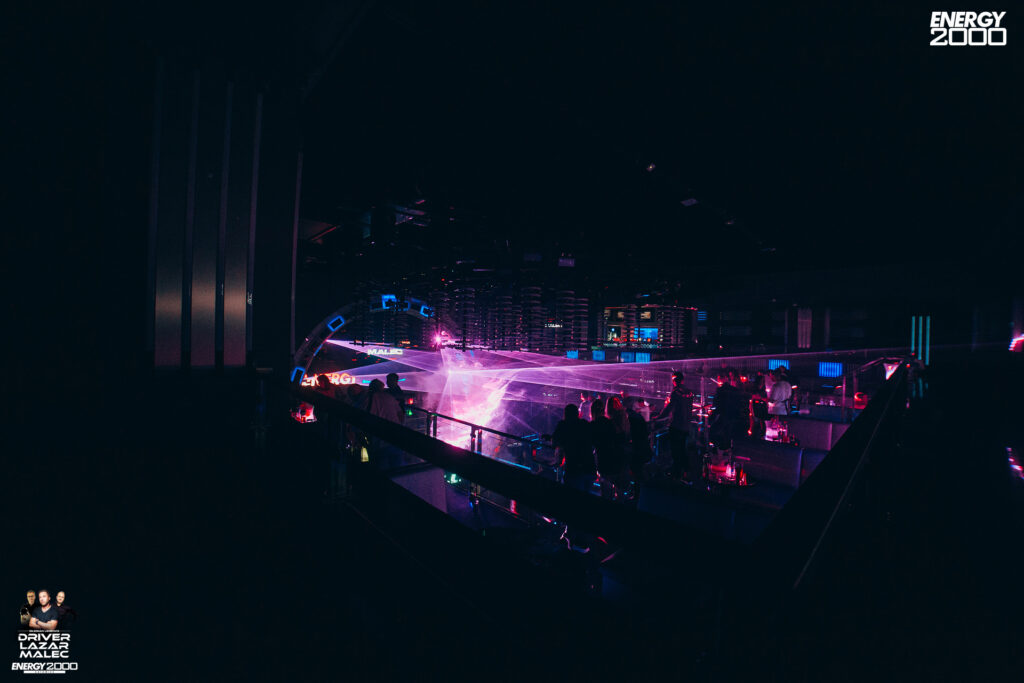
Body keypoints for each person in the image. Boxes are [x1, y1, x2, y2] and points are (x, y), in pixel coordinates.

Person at [656, 371, 696, 482]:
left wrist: (659, 417)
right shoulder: (690, 393)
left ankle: (676, 475)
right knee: (682, 449)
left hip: (676, 425)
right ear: (682, 380)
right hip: (686, 426)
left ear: (674, 381)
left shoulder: (676, 392)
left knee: (676, 451)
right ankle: (686, 473)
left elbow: (669, 408)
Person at [551, 404, 596, 493]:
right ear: (577, 413)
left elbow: (554, 442)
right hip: (589, 468)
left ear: (565, 414)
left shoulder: (563, 425)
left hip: (574, 469)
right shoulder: (584, 423)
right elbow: (593, 441)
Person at [593, 398, 629, 499]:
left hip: (608, 461)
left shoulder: (609, 423)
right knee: (620, 490)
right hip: (621, 459)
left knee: (607, 490)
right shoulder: (624, 420)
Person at [626, 397, 653, 491]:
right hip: (642, 451)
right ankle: (639, 490)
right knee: (639, 472)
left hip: (638, 451)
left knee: (637, 472)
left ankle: (638, 491)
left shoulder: (633, 417)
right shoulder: (638, 418)